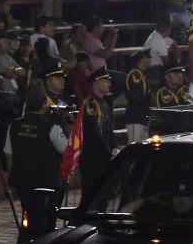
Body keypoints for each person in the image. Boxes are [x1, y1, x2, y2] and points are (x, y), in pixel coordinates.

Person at [11, 69, 72, 233]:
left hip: (22, 179)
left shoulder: (15, 124)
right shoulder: (50, 125)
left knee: (28, 216)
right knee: (46, 219)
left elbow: (8, 153)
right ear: (44, 104)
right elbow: (65, 148)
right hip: (46, 180)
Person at [80, 69, 116, 195]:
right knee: (92, 193)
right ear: (96, 83)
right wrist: (108, 154)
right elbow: (93, 134)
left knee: (104, 194)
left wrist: (114, 147)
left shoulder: (104, 103)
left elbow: (109, 129)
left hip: (103, 155)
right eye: (105, 81)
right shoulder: (91, 104)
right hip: (93, 157)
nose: (109, 84)